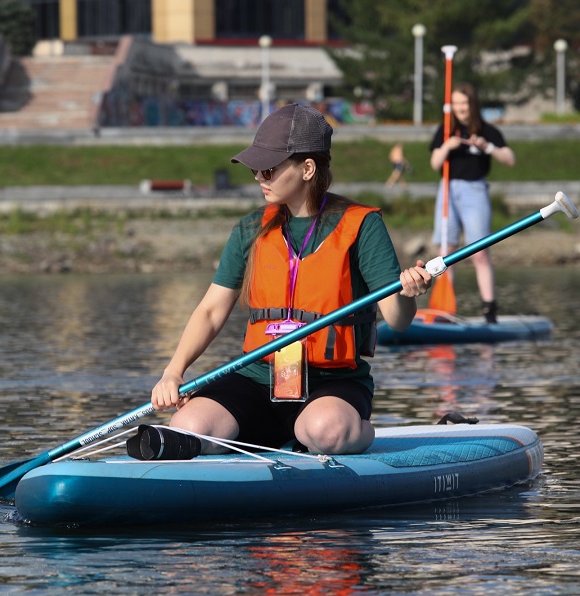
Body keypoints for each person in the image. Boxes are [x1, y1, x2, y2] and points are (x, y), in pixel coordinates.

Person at [150, 103, 433, 456]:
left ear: (307, 169)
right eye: (256, 169)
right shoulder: (250, 230)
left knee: (324, 431)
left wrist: (409, 293)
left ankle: (358, 433)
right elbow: (210, 311)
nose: (258, 178)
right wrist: (174, 372)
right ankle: (272, 436)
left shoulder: (362, 226)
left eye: (268, 169)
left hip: (332, 385)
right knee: (188, 428)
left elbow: (398, 319)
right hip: (259, 378)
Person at [429, 82, 516, 323]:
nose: (460, 108)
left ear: (472, 104)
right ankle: (443, 311)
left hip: (475, 191)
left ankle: (489, 309)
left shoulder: (487, 131)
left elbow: (510, 158)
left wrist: (487, 147)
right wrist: (447, 146)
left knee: (479, 252)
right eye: (456, 103)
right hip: (447, 190)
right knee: (445, 252)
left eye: (464, 103)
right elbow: (435, 163)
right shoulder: (445, 130)